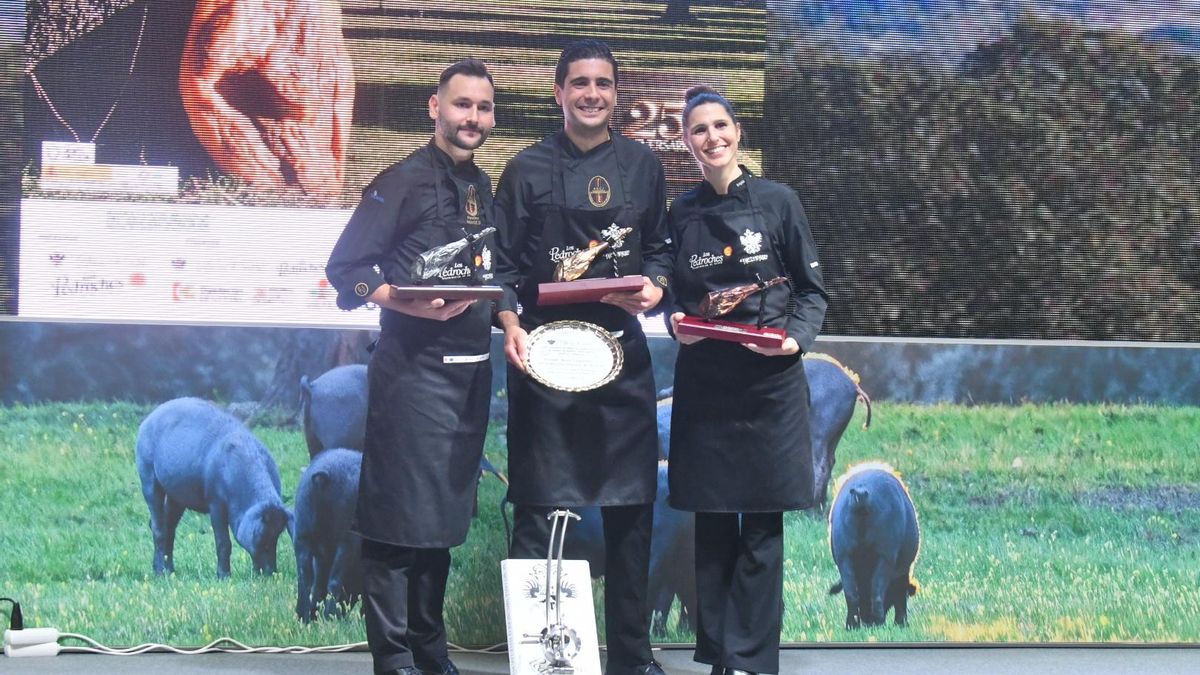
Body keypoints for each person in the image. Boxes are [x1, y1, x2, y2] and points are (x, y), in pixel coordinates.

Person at [492, 39, 672, 675]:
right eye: (579, 83)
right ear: (558, 92)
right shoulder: (524, 170)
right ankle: (539, 657)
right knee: (538, 508)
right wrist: (509, 322)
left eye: (603, 84)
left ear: (616, 94)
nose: (592, 94)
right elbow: (501, 267)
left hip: (622, 357)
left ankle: (632, 657)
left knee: (632, 512)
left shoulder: (645, 166)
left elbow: (662, 249)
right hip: (544, 359)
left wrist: (657, 286)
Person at [324, 58, 497, 675]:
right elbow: (346, 270)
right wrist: (404, 302)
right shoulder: (398, 180)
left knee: (441, 523)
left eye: (482, 107)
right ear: (435, 107)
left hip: (471, 377)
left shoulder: (483, 186)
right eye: (461, 104)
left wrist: (509, 321)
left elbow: (490, 272)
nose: (472, 117)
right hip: (412, 377)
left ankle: (431, 651)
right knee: (398, 520)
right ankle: (393, 658)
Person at [665, 85, 828, 675]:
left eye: (720, 125)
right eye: (699, 130)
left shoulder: (779, 201)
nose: (712, 137)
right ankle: (719, 655)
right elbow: (673, 295)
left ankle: (751, 661)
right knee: (711, 523)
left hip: (770, 387)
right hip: (706, 385)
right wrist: (675, 323)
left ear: (738, 132)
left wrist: (795, 340)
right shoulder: (680, 212)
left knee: (762, 525)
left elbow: (812, 293)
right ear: (687, 142)